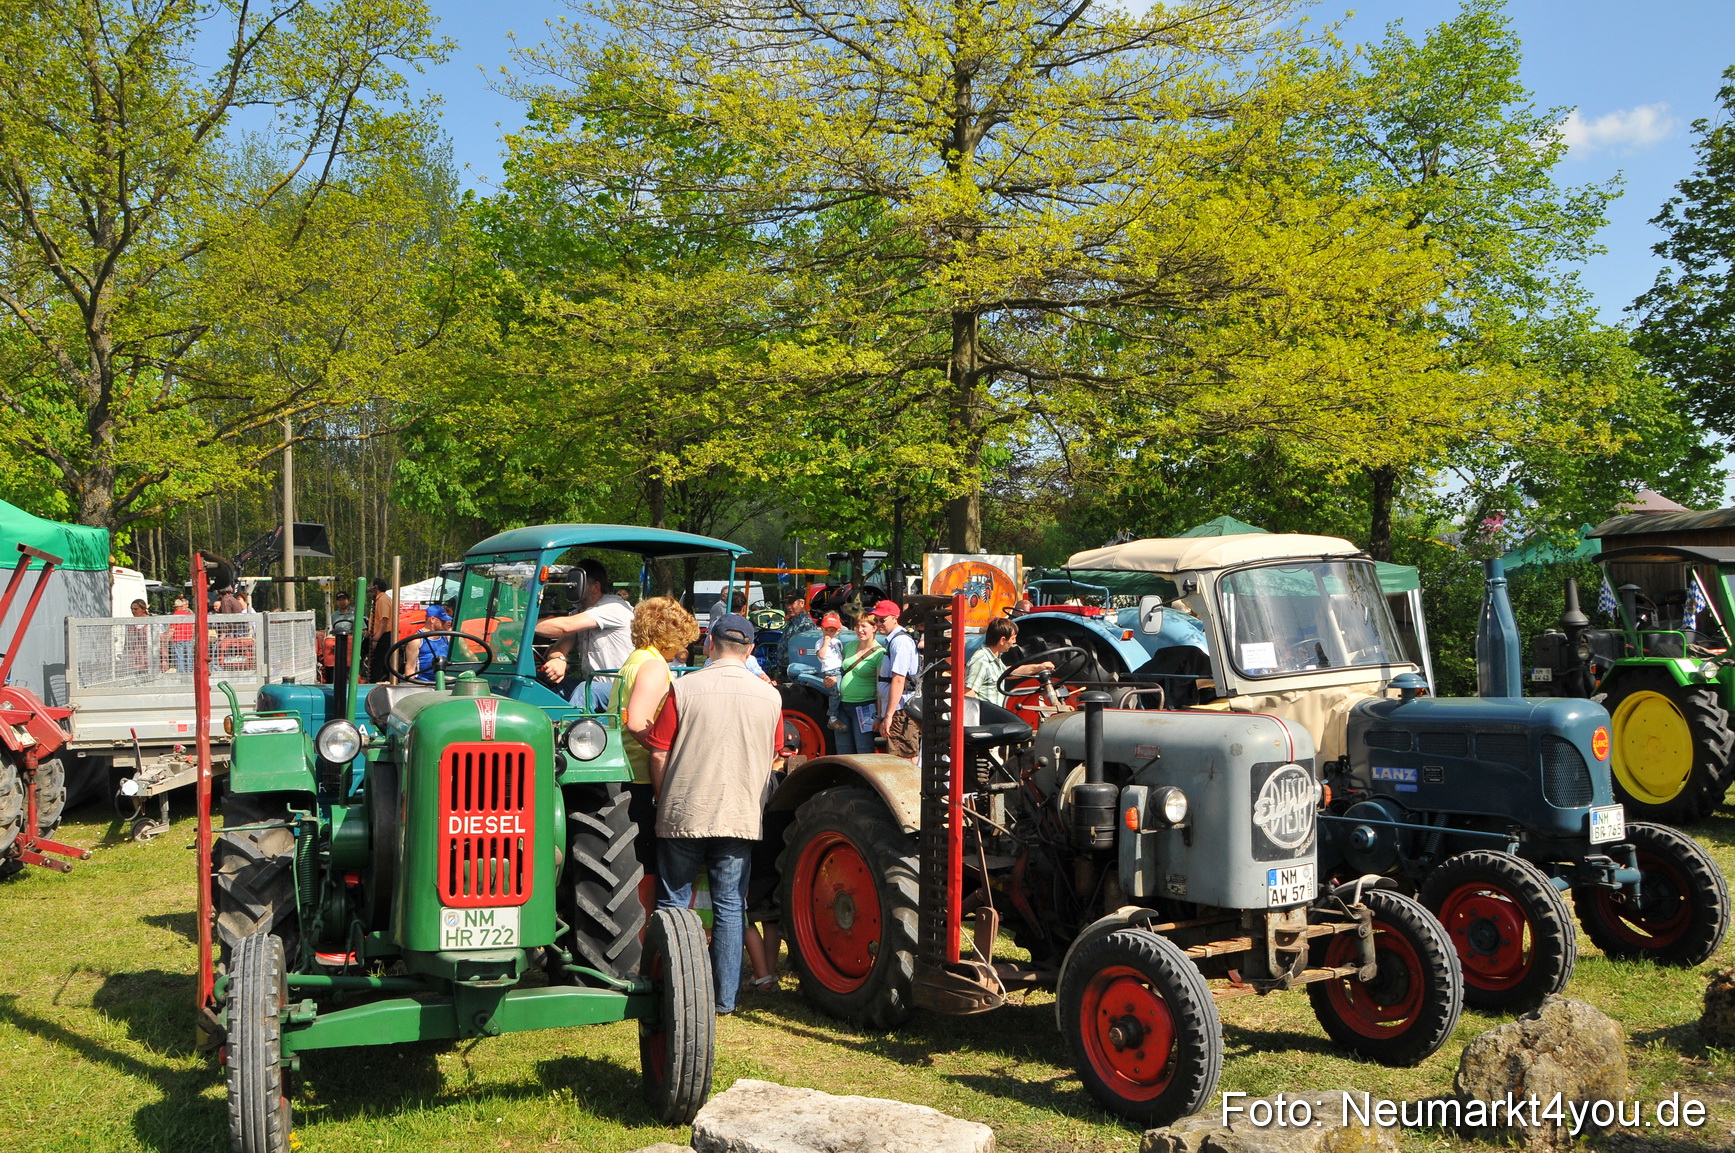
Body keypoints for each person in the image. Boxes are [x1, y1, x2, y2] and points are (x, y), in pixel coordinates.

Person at [630, 613, 784, 1016]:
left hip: (685, 812)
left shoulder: (683, 688)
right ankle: (723, 999)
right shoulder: (771, 696)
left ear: (709, 644)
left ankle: (671, 990)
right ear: (750, 650)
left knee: (673, 903)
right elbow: (774, 753)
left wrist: (663, 799)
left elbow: (659, 751)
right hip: (740, 815)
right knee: (731, 906)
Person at [619, 597, 703, 875]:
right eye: (682, 639)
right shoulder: (654, 666)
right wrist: (666, 753)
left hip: (628, 769)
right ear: (669, 635)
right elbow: (636, 722)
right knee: (648, 861)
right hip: (642, 775)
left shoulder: (635, 659)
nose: (683, 647)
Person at [537, 559, 635, 708]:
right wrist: (559, 659)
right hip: (594, 685)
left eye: (577, 582)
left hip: (622, 688)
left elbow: (565, 627)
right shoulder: (579, 613)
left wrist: (522, 625)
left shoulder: (613, 607)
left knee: (586, 690)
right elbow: (561, 646)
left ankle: (569, 723)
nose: (571, 587)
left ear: (595, 587)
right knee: (541, 681)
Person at [963, 618, 1055, 707]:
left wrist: (1039, 667)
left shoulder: (995, 657)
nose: (1014, 642)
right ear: (1002, 640)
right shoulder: (981, 660)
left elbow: (1008, 672)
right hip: (985, 715)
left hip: (995, 713)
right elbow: (968, 695)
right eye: (1013, 638)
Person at [872, 600, 920, 759]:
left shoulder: (900, 642)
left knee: (903, 758)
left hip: (900, 711)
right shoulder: (894, 641)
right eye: (876, 620)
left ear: (895, 618)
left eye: (882, 619)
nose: (878, 623)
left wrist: (888, 716)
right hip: (896, 710)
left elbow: (899, 680)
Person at [835, 615, 884, 754]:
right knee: (843, 750)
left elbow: (880, 685)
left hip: (864, 707)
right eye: (857, 626)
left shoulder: (879, 653)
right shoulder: (849, 646)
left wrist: (879, 716)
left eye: (864, 626)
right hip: (842, 705)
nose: (859, 630)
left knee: (864, 749)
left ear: (874, 628)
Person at [815, 612, 846, 729]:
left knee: (842, 691)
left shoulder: (838, 642)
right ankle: (832, 717)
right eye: (826, 630)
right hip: (830, 671)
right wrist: (825, 643)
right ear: (822, 629)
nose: (829, 633)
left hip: (839, 669)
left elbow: (841, 655)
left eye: (832, 631)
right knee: (836, 693)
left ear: (837, 631)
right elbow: (821, 655)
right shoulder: (819, 642)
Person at [365, 577, 395, 682]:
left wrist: (376, 639)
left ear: (376, 587)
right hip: (380, 635)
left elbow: (384, 620)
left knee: (378, 663)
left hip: (383, 636)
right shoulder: (379, 600)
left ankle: (377, 682)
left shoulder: (382, 600)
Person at [168, 596, 195, 674]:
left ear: (175, 607)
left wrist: (167, 639)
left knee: (179, 656)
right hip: (188, 638)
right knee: (189, 656)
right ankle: (189, 672)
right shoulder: (189, 615)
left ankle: (181, 673)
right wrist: (192, 636)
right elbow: (193, 627)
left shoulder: (174, 616)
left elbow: (172, 629)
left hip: (178, 639)